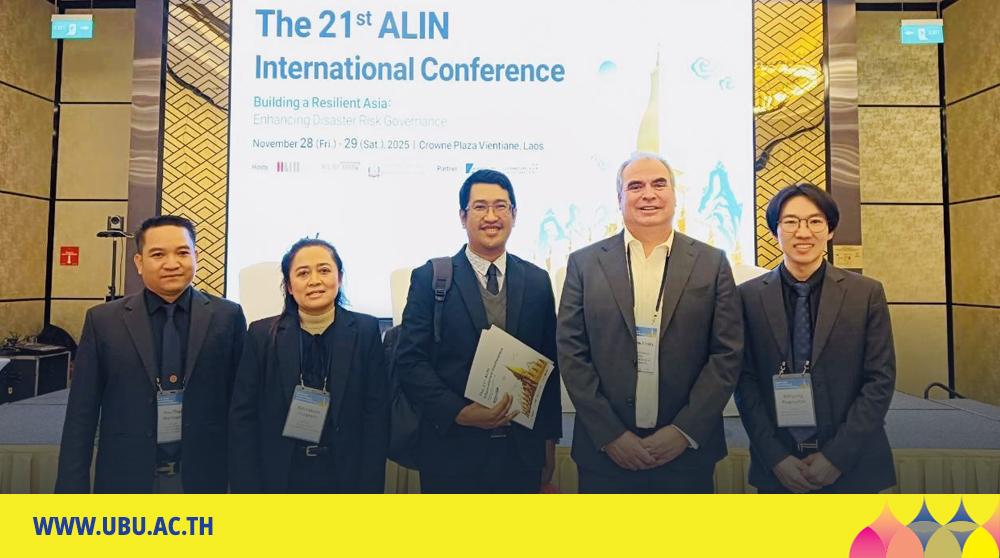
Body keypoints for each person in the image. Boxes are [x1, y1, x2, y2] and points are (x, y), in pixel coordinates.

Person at [557, 152, 743, 493]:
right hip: (605, 455)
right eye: (635, 186)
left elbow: (727, 354)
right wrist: (611, 434)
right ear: (619, 198)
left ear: (674, 194)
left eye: (659, 184)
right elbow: (571, 353)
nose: (648, 194)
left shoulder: (711, 263)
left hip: (687, 456)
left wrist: (683, 431)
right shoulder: (584, 264)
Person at [395, 168, 561, 493]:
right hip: (451, 451)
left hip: (521, 454)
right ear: (463, 216)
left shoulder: (538, 281)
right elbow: (410, 362)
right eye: (480, 207)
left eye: (501, 206)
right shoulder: (430, 278)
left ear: (514, 214)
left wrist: (548, 443)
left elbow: (549, 367)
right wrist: (460, 413)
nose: (491, 217)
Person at [56, 215, 246, 493]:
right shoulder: (104, 321)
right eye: (158, 254)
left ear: (196, 256)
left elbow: (240, 408)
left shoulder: (227, 317)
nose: (172, 263)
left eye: (182, 252)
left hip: (204, 479)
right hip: (125, 478)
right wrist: (71, 491)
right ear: (139, 262)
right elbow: (81, 414)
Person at [735, 183, 896, 493]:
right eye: (791, 222)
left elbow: (880, 380)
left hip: (855, 464)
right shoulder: (747, 297)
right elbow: (744, 382)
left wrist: (836, 458)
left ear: (830, 230)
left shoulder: (865, 294)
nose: (803, 232)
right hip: (778, 467)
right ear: (775, 231)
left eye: (814, 221)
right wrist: (776, 458)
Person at [229, 238, 388, 493]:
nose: (314, 280)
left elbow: (376, 415)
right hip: (279, 477)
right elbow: (243, 418)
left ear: (339, 278)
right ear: (289, 286)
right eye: (303, 273)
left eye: (324, 270)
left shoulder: (366, 331)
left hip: (345, 475)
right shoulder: (261, 335)